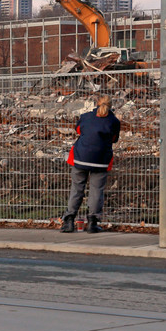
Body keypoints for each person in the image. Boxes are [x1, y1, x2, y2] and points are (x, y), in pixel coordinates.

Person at [61, 94, 121, 233]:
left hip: (80, 157)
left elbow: (78, 131)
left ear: (96, 103)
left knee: (77, 188)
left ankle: (69, 221)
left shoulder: (86, 117)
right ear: (111, 105)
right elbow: (114, 139)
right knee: (96, 190)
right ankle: (92, 223)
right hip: (101, 160)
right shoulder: (114, 121)